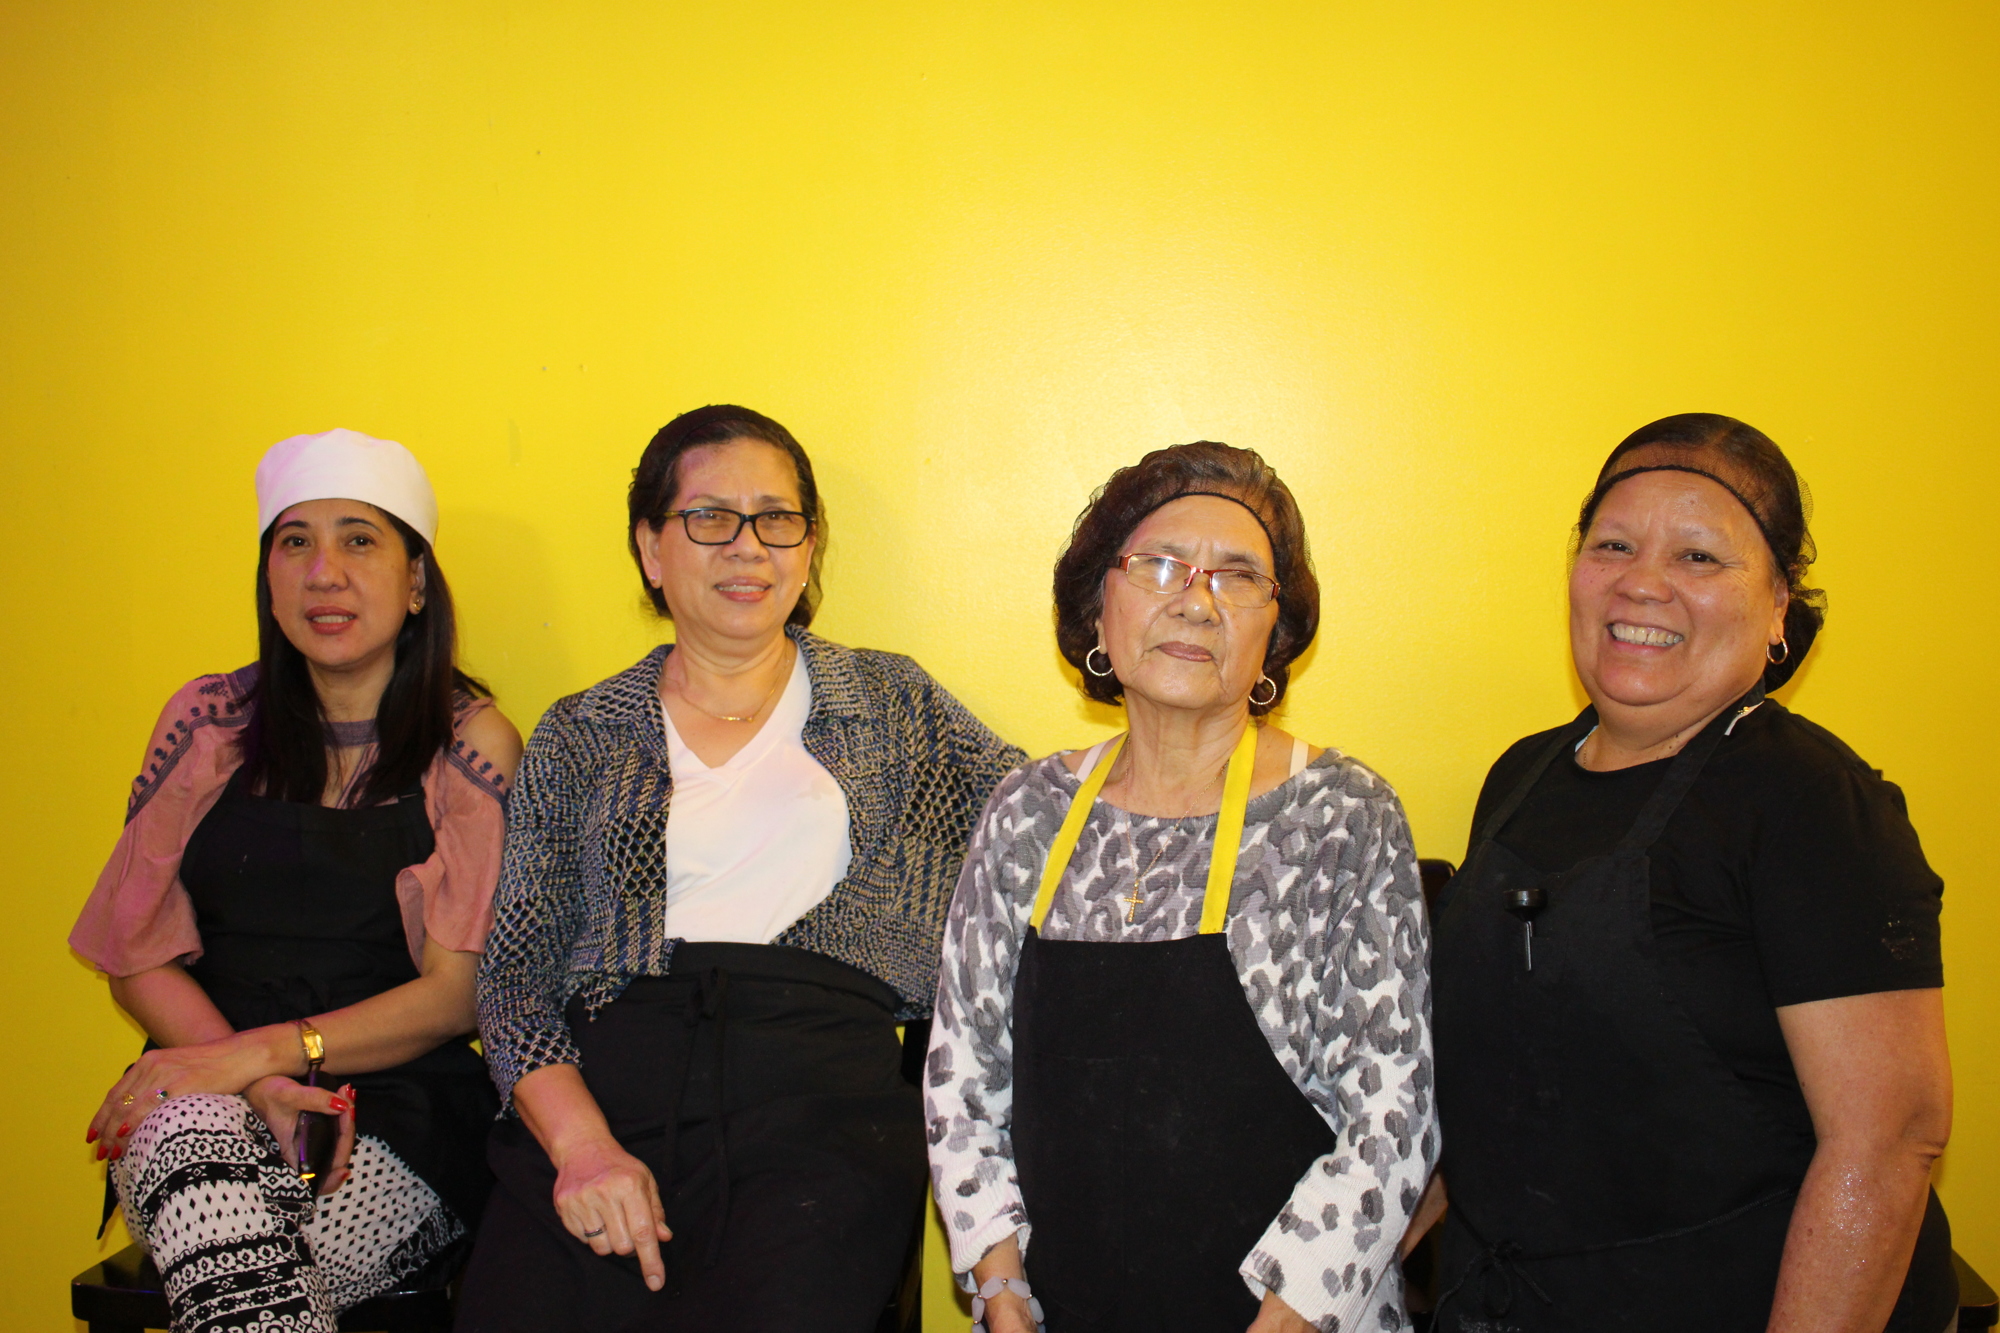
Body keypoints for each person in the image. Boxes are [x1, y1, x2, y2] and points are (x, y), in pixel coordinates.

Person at [460, 404, 1024, 1333]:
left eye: (777, 518)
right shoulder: (581, 732)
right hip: (608, 1083)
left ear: (809, 546)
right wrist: (583, 1147)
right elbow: (515, 977)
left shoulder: (892, 703)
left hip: (820, 1105)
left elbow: (1044, 824)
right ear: (650, 547)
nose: (747, 546)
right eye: (710, 517)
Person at [1428, 413, 1955, 1332]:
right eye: (1615, 544)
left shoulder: (1811, 802)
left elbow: (1890, 1142)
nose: (1643, 582)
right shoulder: (1524, 774)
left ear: (1780, 603)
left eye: (1700, 558)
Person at [927, 441, 1437, 1333]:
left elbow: (1392, 1119)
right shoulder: (1027, 813)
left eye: (1238, 577)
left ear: (1274, 634)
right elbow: (961, 1076)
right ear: (1099, 605)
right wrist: (1001, 1289)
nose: (1196, 600)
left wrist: (1289, 1317)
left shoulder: (1343, 816)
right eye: (1160, 565)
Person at [71, 428, 522, 1333]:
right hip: (207, 1091)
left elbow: (456, 993)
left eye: (360, 539)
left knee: (242, 1273)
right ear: (268, 577)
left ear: (417, 579)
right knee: (218, 1208)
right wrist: (249, 1081)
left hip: (400, 1115)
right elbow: (137, 953)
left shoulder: (471, 745)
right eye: (295, 542)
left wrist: (268, 1053)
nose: (325, 572)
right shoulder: (206, 722)